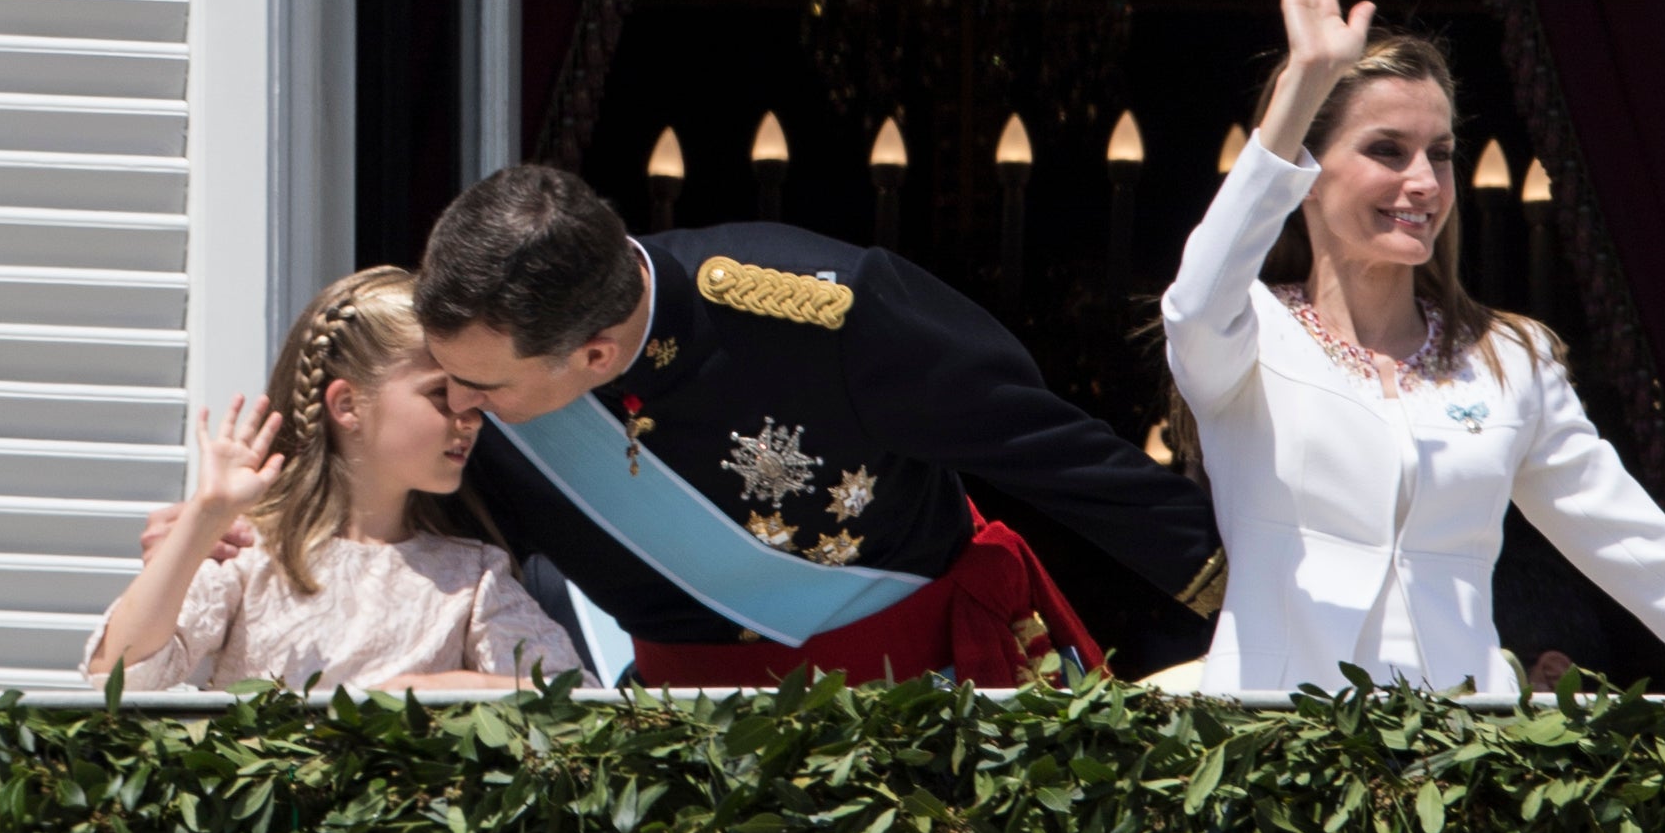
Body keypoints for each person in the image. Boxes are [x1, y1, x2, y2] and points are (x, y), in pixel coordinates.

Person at [1161, 0, 1665, 695]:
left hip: (1460, 773)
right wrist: (1305, 81)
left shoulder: (1510, 361)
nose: (1424, 182)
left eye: (1439, 153)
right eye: (1387, 150)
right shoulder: (1248, 335)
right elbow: (1194, 300)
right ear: (1308, 173)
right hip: (1275, 764)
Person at [404, 163, 1224, 688]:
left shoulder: (817, 313)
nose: (457, 404)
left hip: (932, 702)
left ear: (594, 353)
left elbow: (1050, 454)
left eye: (479, 386)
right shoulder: (475, 375)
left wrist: (1262, 595)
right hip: (687, 753)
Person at [88, 269, 582, 691]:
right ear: (348, 405)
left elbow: (577, 702)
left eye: (472, 393)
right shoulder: (250, 553)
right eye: (439, 394)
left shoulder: (471, 578)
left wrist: (442, 690)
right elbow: (120, 677)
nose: (470, 415)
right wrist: (203, 519)